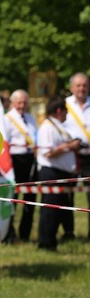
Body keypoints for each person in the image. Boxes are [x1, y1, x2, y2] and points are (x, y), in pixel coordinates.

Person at [37, 96, 81, 251]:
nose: (67, 115)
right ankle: (45, 243)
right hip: (51, 172)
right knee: (49, 210)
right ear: (59, 110)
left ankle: (52, 240)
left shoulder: (57, 126)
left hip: (61, 172)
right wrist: (68, 146)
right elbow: (48, 153)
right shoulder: (47, 127)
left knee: (56, 210)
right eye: (66, 111)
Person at [4, 89, 38, 242]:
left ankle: (25, 233)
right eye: (19, 102)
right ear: (12, 103)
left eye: (25, 102)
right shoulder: (7, 119)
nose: (22, 105)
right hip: (15, 161)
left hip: (30, 159)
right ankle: (9, 234)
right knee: (13, 199)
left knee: (30, 197)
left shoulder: (31, 118)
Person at [63, 72, 90, 237]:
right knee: (66, 195)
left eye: (85, 85)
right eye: (78, 85)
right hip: (70, 155)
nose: (82, 88)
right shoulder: (64, 105)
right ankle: (68, 232)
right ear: (72, 87)